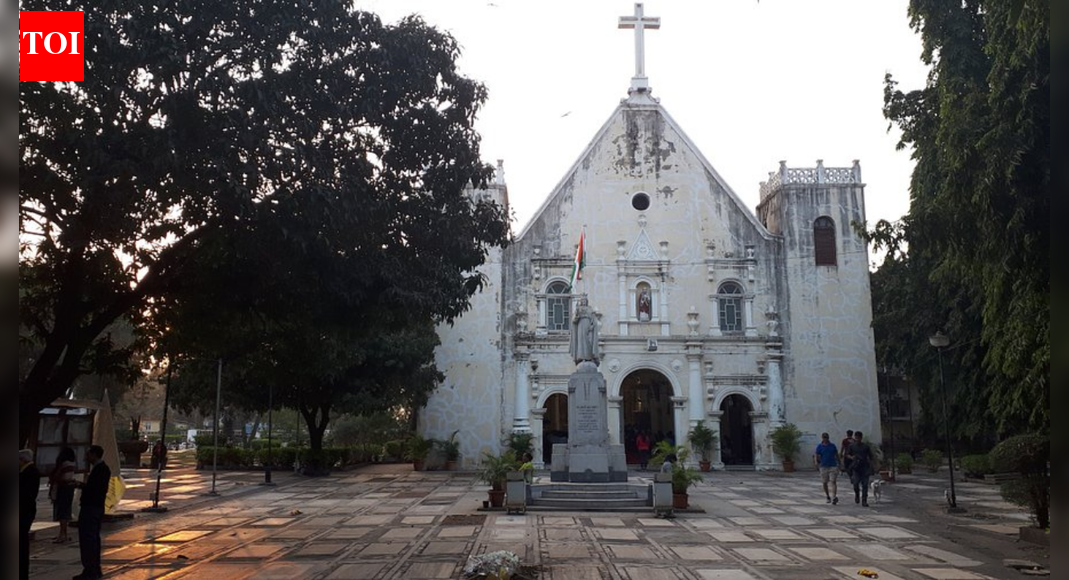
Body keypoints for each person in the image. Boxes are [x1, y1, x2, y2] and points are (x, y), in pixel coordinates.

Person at [73, 445, 111, 580]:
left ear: (95, 455)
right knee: (93, 538)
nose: (86, 457)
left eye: (89, 454)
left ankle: (90, 570)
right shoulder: (102, 469)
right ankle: (94, 568)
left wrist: (81, 486)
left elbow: (95, 489)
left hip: (91, 507)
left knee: (88, 538)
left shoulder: (101, 469)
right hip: (96, 507)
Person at [20, 449, 41, 580]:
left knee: (21, 543)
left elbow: (24, 494)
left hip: (24, 511)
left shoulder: (30, 472)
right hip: (26, 511)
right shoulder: (28, 471)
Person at [49, 447, 77, 543]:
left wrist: (55, 479)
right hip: (67, 490)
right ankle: (63, 534)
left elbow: (64, 478)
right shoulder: (71, 464)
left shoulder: (65, 465)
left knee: (62, 513)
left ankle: (62, 535)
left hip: (63, 490)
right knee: (64, 512)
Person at [845, 431, 875, 507]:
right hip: (856, 468)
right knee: (855, 484)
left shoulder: (865, 446)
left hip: (865, 467)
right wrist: (852, 457)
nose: (857, 439)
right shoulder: (852, 446)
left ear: (861, 438)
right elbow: (847, 455)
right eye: (856, 437)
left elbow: (871, 457)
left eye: (858, 438)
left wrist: (872, 466)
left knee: (865, 485)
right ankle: (857, 495)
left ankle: (864, 500)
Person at [568, 296, 600, 365]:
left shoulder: (590, 309)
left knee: (589, 341)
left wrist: (592, 325)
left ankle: (589, 357)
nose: (584, 301)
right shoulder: (578, 309)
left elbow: (593, 319)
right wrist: (576, 314)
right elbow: (574, 320)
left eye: (585, 300)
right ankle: (581, 357)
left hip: (588, 327)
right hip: (580, 326)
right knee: (581, 342)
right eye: (582, 300)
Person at [813, 433, 841, 505]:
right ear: (822, 438)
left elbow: (836, 454)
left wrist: (840, 463)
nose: (825, 439)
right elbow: (816, 454)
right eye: (824, 438)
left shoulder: (832, 446)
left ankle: (834, 497)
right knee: (825, 482)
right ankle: (827, 496)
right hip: (823, 466)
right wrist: (816, 462)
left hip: (833, 466)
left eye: (826, 438)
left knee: (833, 481)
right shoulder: (820, 446)